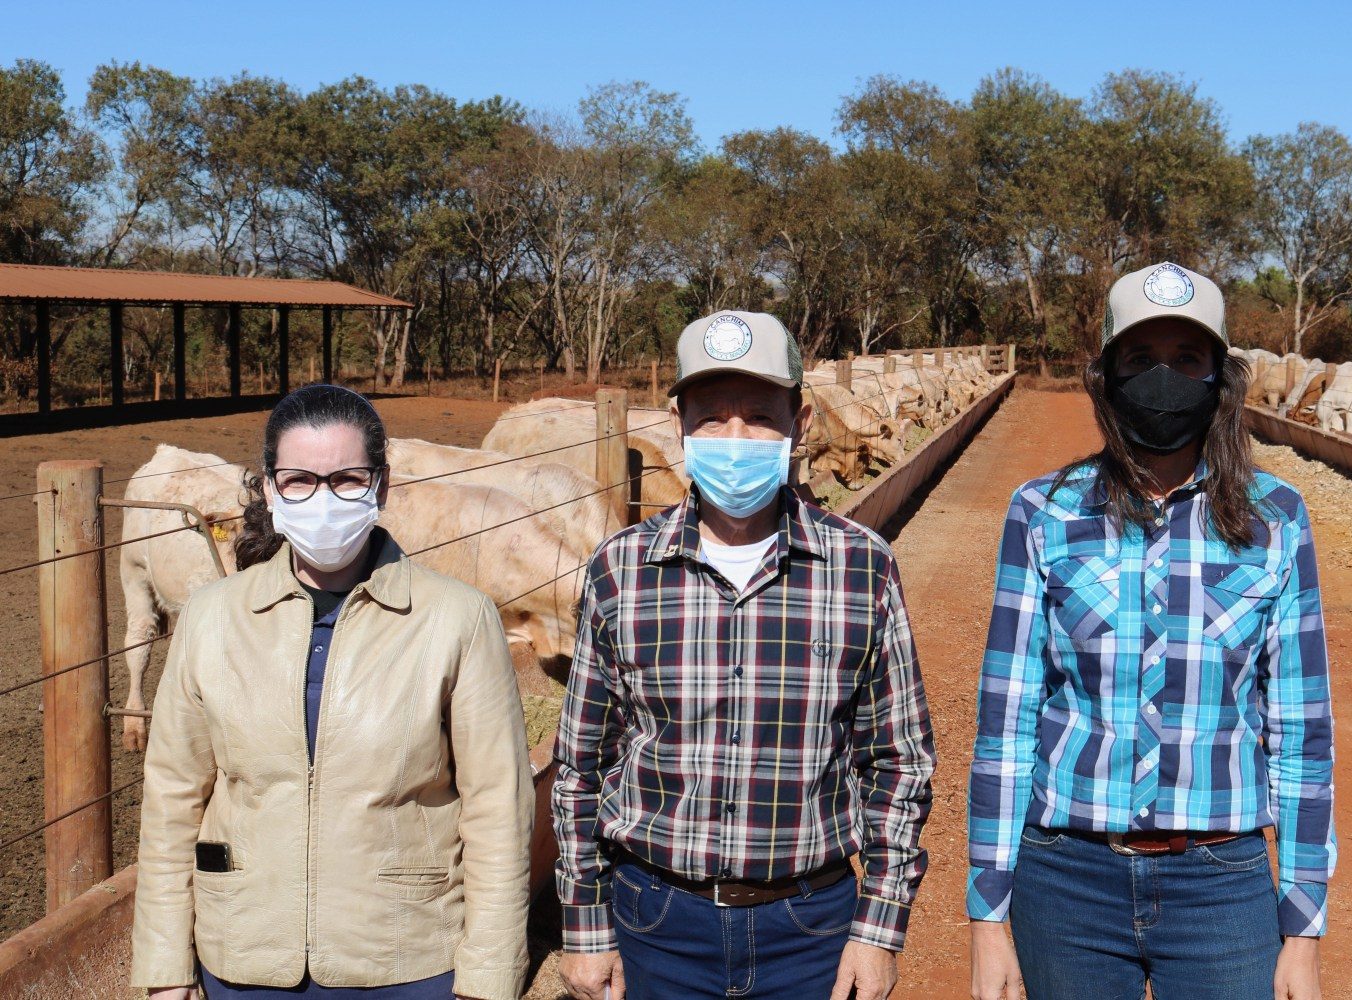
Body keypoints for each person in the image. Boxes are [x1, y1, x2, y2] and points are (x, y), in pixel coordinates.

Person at [968, 263, 1337, 1000]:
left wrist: (1302, 931)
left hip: (1220, 883)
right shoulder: (1043, 511)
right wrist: (987, 918)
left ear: (1218, 380)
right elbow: (1006, 723)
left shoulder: (1276, 519)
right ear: (1105, 377)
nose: (1163, 379)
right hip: (1066, 877)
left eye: (1187, 360)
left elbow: (1300, 732)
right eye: (1140, 360)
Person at [552, 311, 936, 1000]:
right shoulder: (623, 569)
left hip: (809, 924)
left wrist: (876, 930)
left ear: (802, 423)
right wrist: (585, 925)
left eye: (760, 418)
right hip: (655, 919)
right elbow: (583, 765)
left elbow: (899, 760)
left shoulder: (860, 566)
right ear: (678, 423)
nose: (735, 440)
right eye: (712, 418)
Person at [130, 384, 534, 1000]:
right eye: (298, 480)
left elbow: (497, 807)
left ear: (382, 485)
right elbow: (171, 799)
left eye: (347, 478)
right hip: (243, 957)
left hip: (406, 958)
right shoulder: (210, 618)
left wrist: (490, 976)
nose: (323, 499)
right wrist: (164, 967)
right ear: (269, 488)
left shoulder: (457, 619)